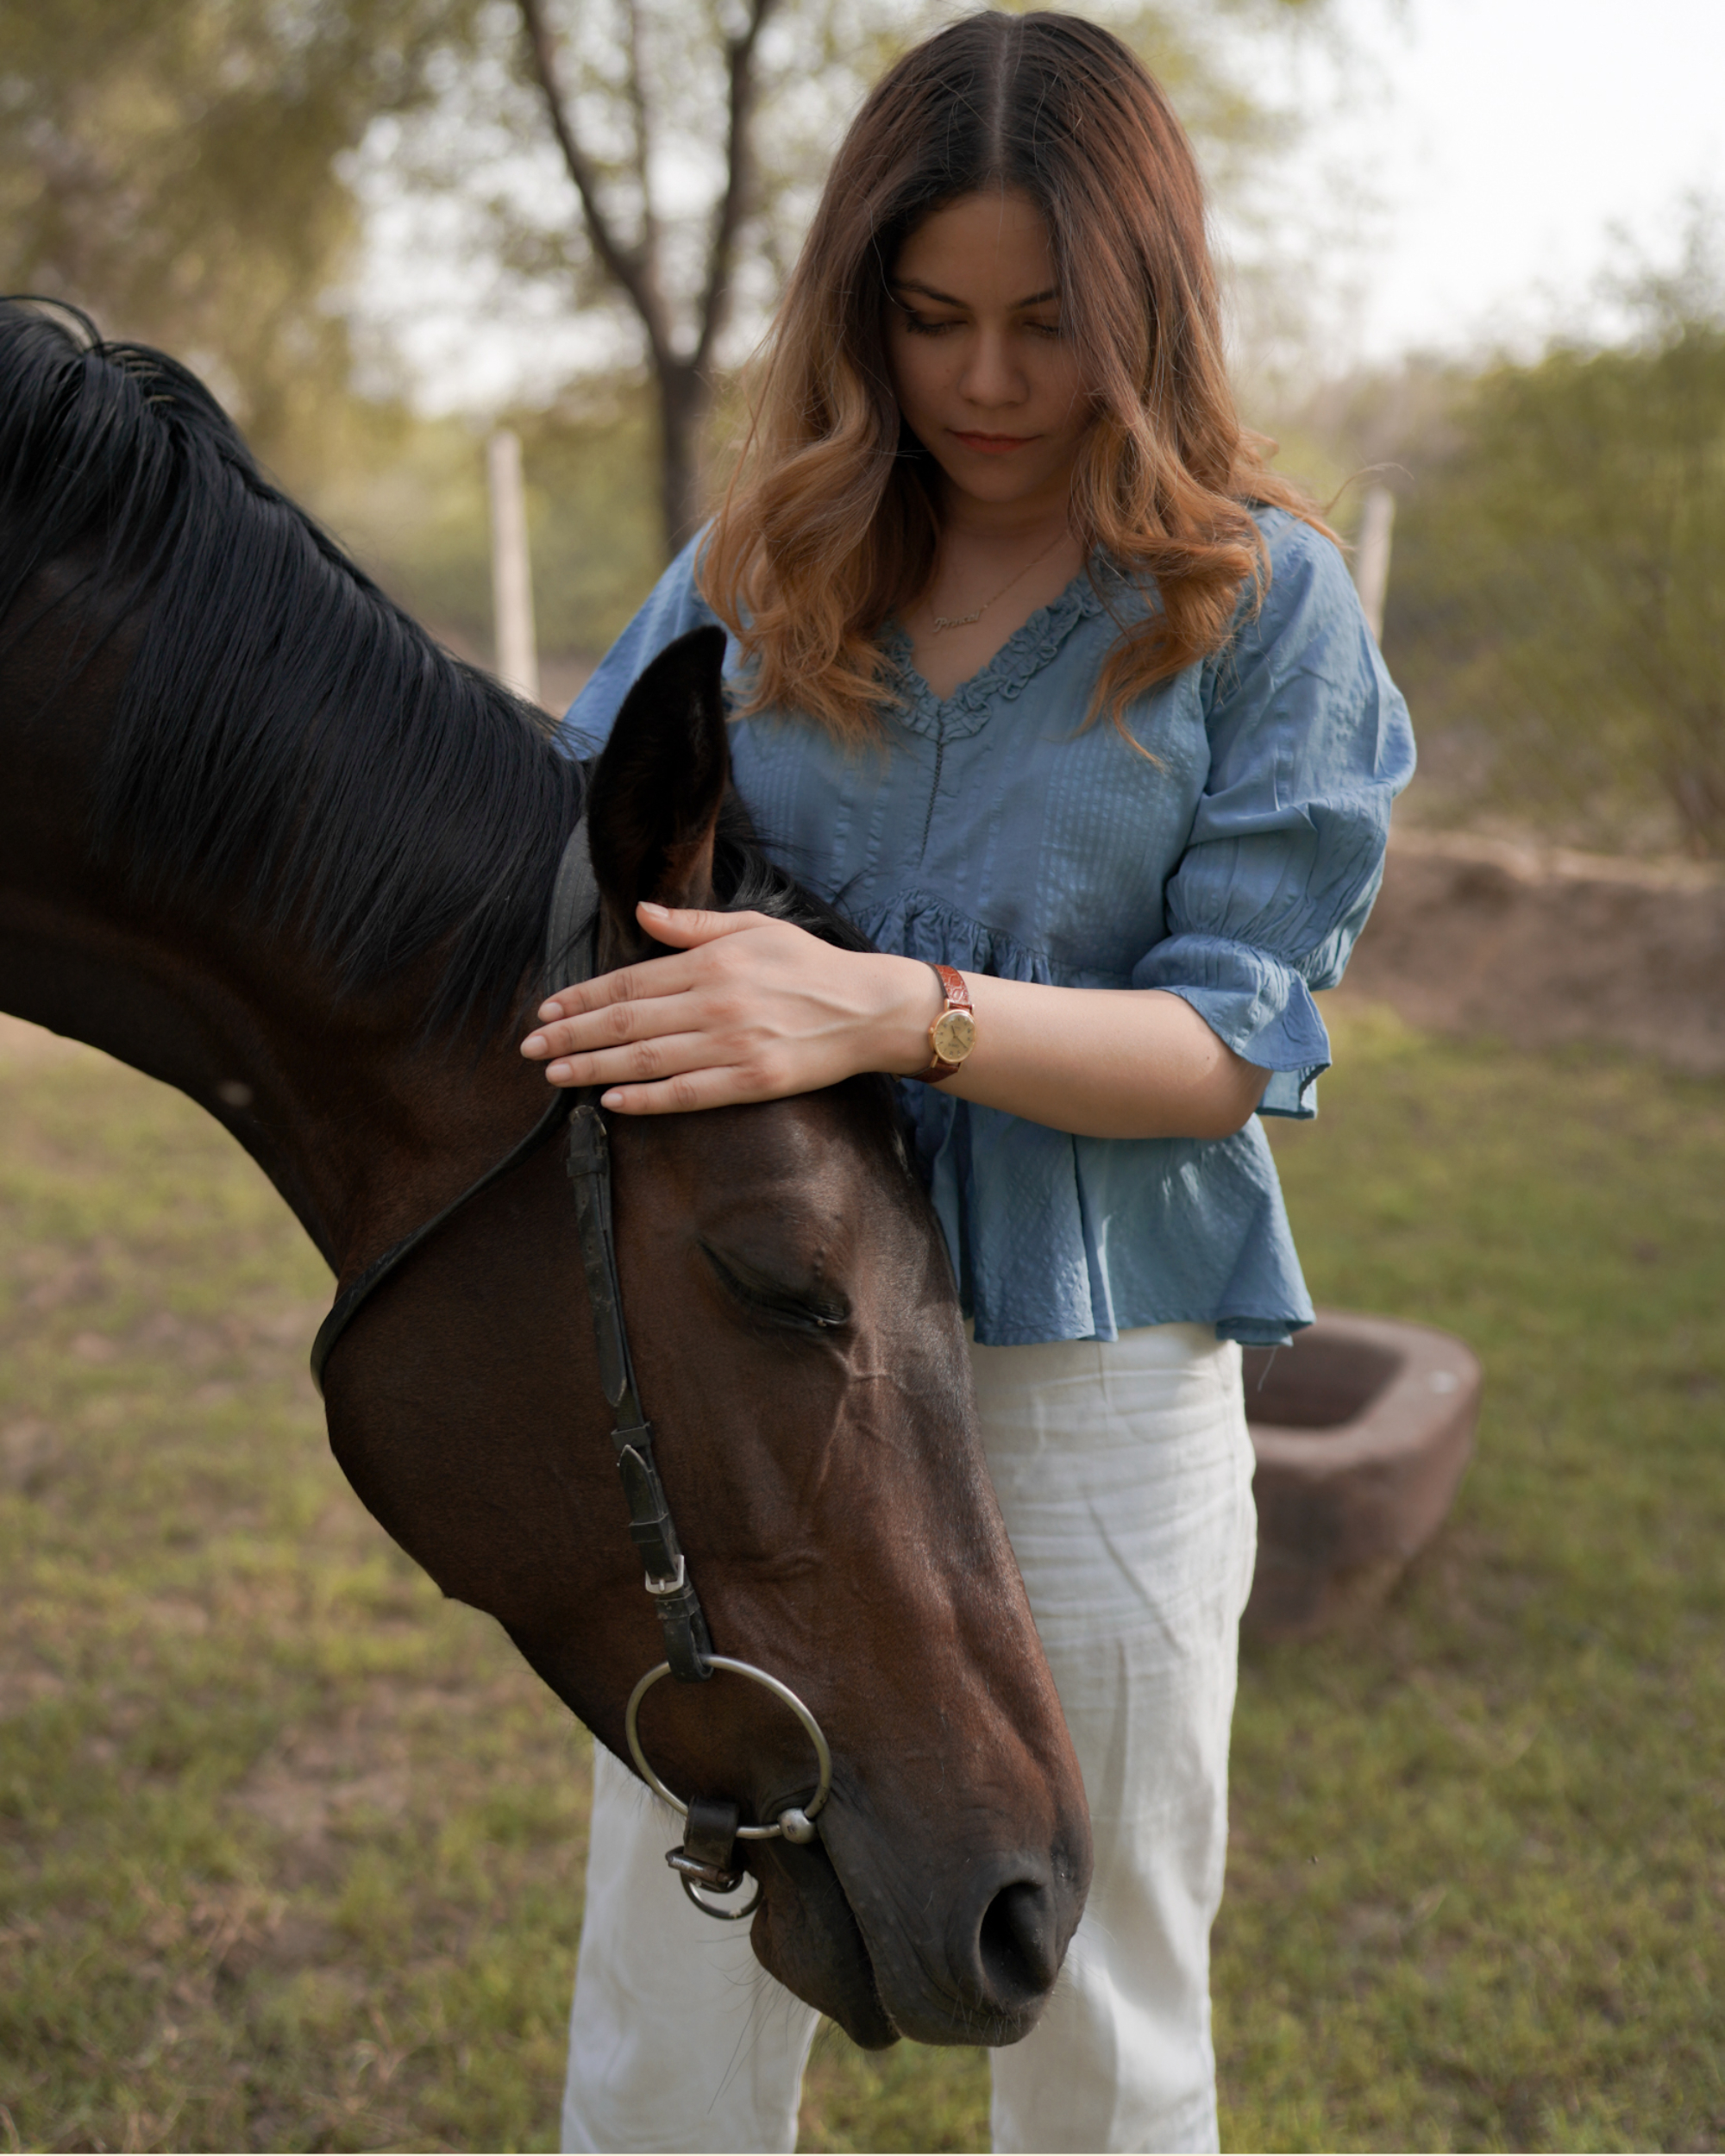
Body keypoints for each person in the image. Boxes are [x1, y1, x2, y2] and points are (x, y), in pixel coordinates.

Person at [522, 12, 1414, 2151]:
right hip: (753, 1376)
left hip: (1092, 1386)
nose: (990, 381)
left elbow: (1227, 1045)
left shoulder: (1262, 608)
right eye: (932, 319)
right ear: (863, 307)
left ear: (1149, 307)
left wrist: (873, 1006)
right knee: (676, 1977)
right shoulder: (754, 571)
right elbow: (558, 861)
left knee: (1097, 2005)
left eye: (1047, 321)